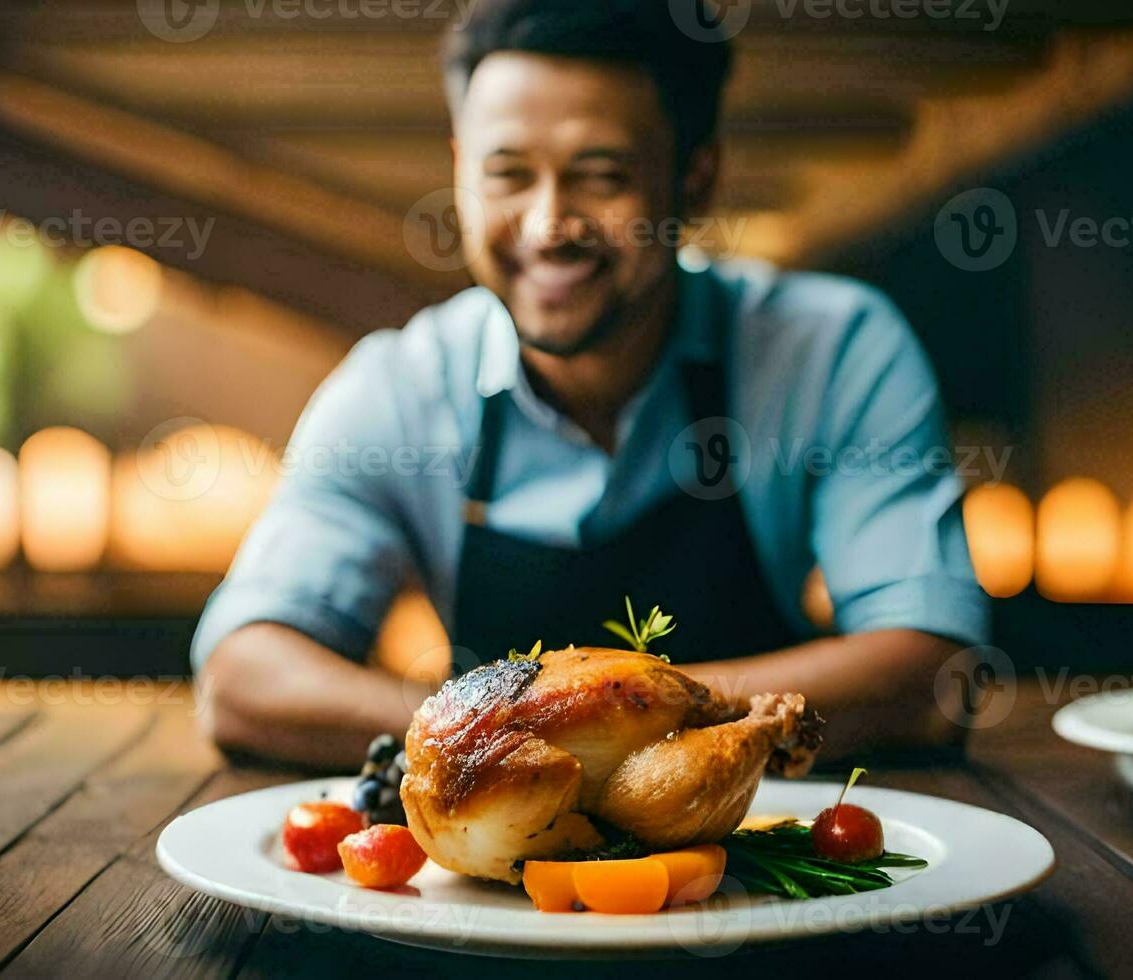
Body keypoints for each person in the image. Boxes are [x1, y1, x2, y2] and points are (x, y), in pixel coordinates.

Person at [192, 0, 988, 768]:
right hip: (480, 892)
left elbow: (930, 676)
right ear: (461, 172)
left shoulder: (831, 350)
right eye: (507, 175)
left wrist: (585, 722)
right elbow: (243, 679)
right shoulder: (399, 389)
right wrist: (501, 736)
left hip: (753, 865)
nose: (547, 225)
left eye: (600, 175)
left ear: (696, 179)